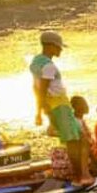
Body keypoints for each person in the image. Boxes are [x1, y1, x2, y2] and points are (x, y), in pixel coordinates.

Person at [30, 30, 82, 180]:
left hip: (52, 105)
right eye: (58, 47)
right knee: (73, 140)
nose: (60, 50)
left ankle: (78, 173)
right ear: (50, 46)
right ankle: (79, 177)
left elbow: (36, 88)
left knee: (76, 136)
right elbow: (42, 89)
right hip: (60, 105)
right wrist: (38, 112)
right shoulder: (49, 66)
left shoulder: (36, 62)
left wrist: (44, 110)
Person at [70, 95, 97, 180]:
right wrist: (94, 161)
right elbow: (84, 145)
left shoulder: (80, 120)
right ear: (75, 107)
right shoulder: (76, 122)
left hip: (87, 155)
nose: (86, 106)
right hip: (83, 157)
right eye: (82, 104)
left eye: (85, 103)